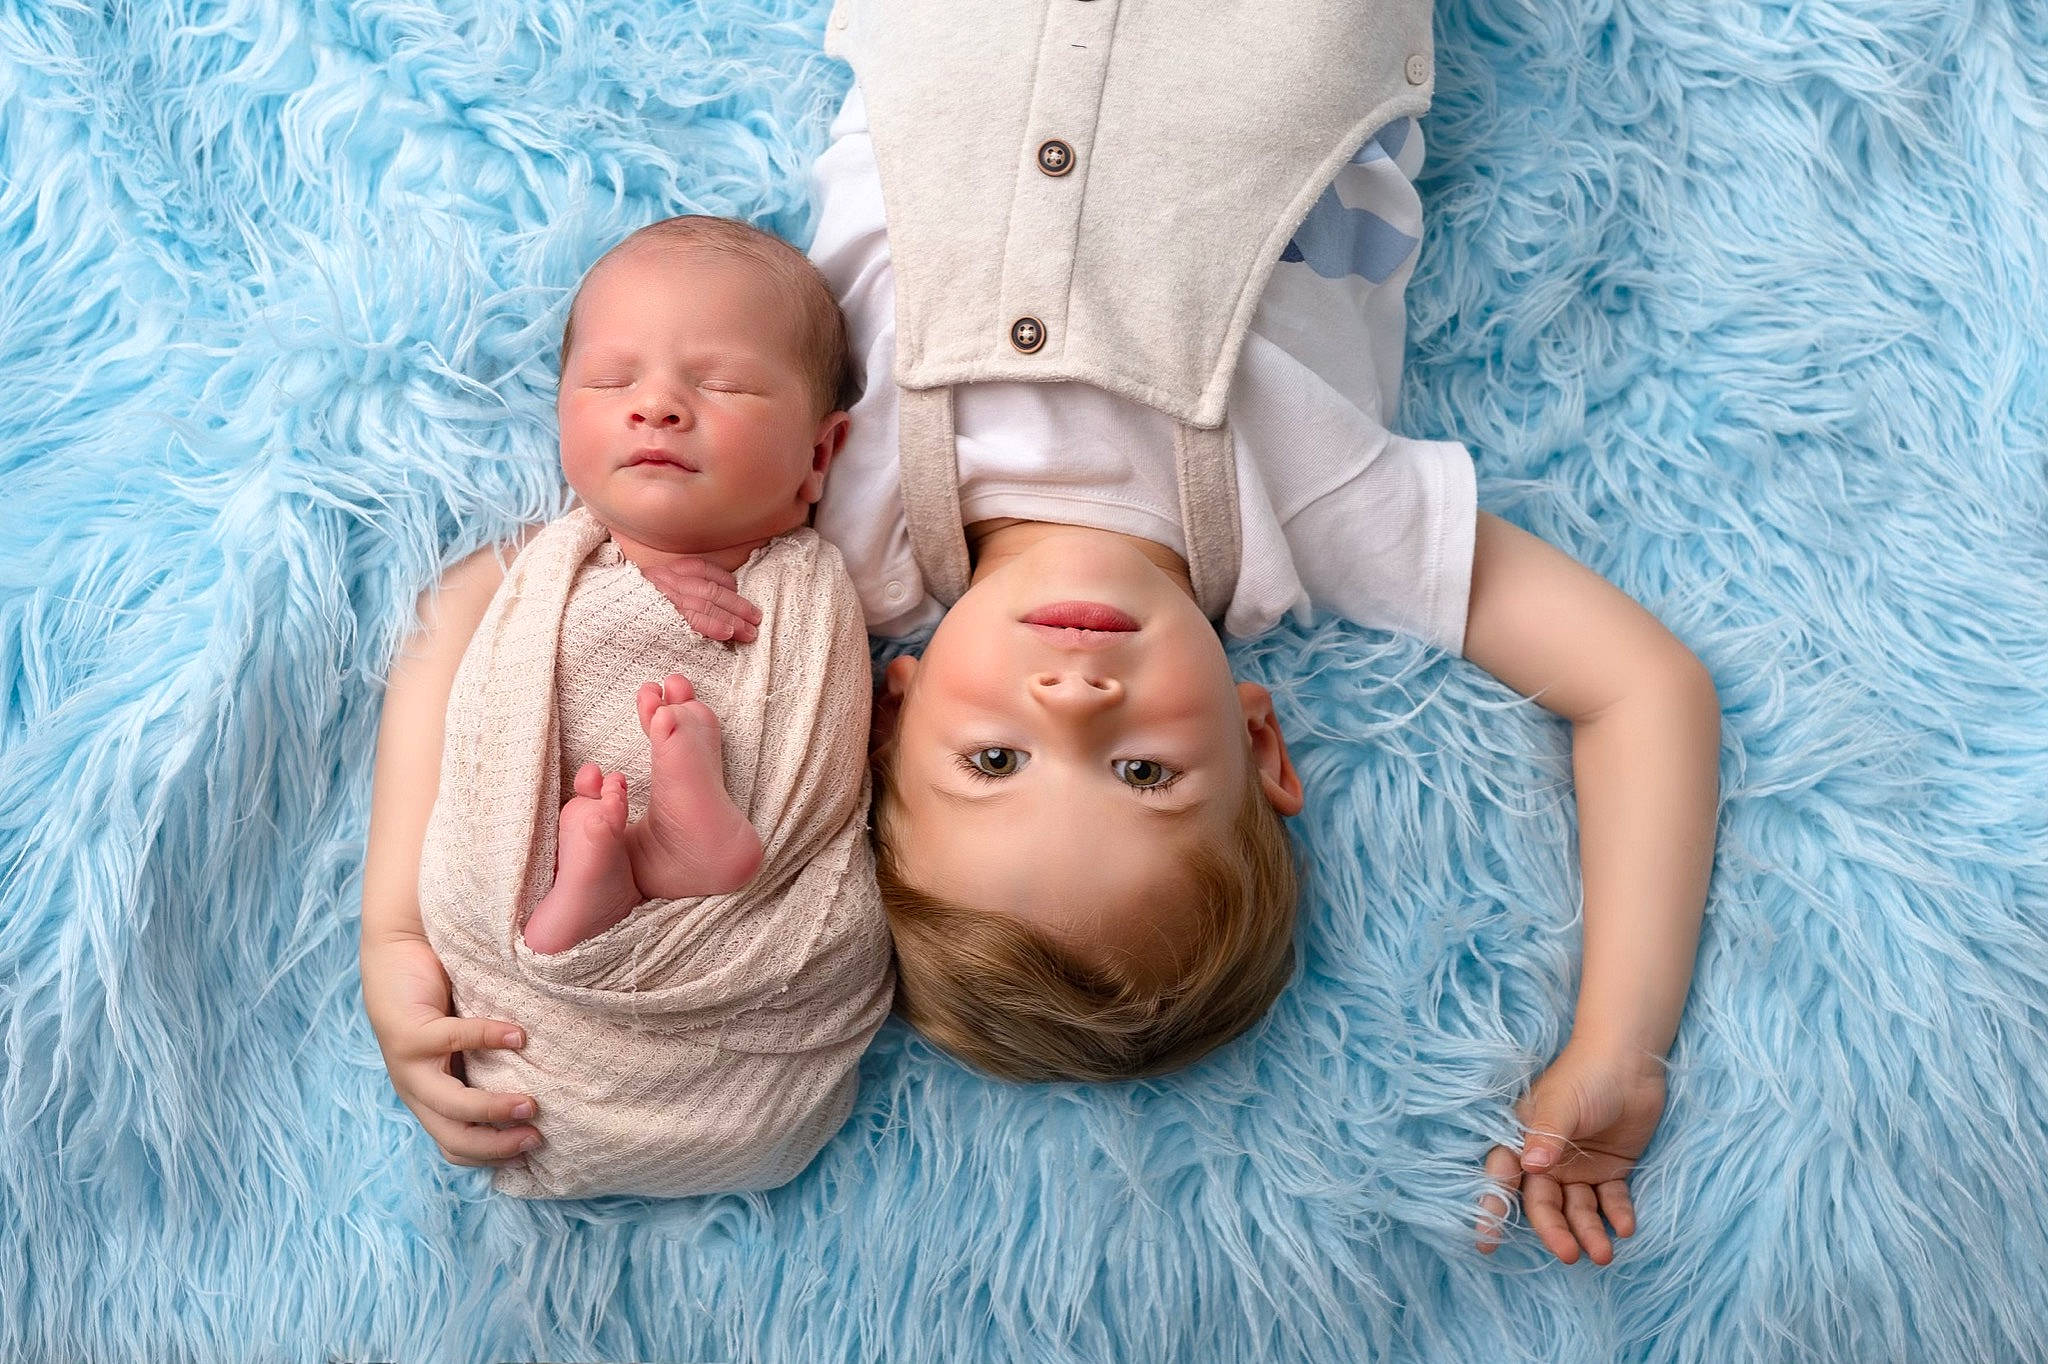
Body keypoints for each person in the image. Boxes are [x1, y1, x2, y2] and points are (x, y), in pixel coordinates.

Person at [803, 0, 1722, 1268]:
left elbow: (507, 622)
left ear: (890, 713)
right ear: (1260, 742)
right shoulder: (1320, 514)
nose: (1070, 700)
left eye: (993, 762)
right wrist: (1617, 1041)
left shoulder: (831, 525)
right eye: (1141, 774)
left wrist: (415, 929)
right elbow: (1640, 688)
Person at [358, 215, 894, 1199]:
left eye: (721, 383)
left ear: (821, 455)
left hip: (755, 988)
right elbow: (434, 716)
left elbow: (853, 786)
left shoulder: (833, 585)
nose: (656, 405)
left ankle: (644, 864)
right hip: (539, 1031)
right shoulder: (522, 575)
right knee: (572, 836)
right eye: (610, 381)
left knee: (821, 917)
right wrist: (392, 946)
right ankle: (613, 875)